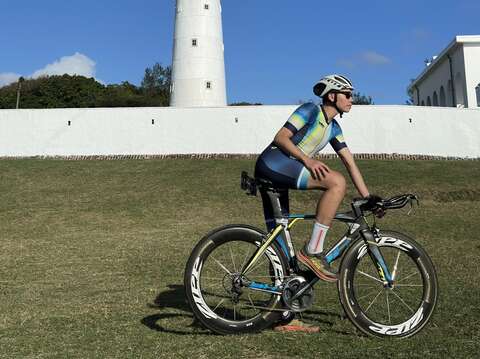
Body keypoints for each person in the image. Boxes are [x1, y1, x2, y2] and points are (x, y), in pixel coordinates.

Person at [254, 74, 372, 283]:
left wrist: (368, 198)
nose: (351, 99)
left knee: (280, 246)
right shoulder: (310, 110)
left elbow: (350, 162)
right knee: (336, 182)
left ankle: (283, 306)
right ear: (333, 95)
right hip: (273, 163)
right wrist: (307, 160)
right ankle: (313, 250)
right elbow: (280, 137)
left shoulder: (334, 128)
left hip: (283, 169)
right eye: (347, 95)